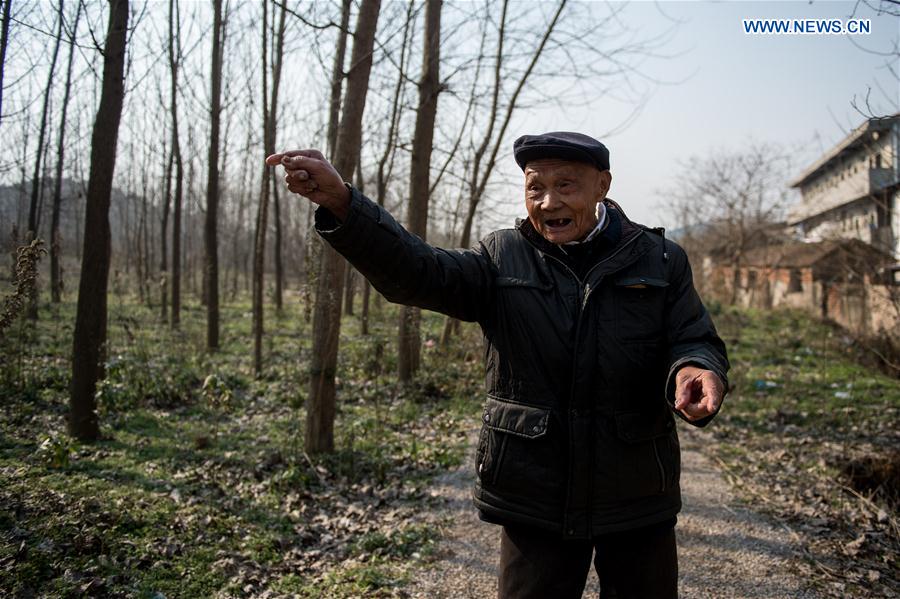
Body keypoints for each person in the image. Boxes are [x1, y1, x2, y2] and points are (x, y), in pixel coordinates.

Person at [266, 131, 729, 599]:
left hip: (636, 488)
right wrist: (345, 203)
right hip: (533, 488)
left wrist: (694, 368)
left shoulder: (661, 258)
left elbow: (692, 336)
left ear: (602, 185)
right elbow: (416, 271)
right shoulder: (502, 256)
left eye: (566, 185)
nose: (548, 201)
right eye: (535, 187)